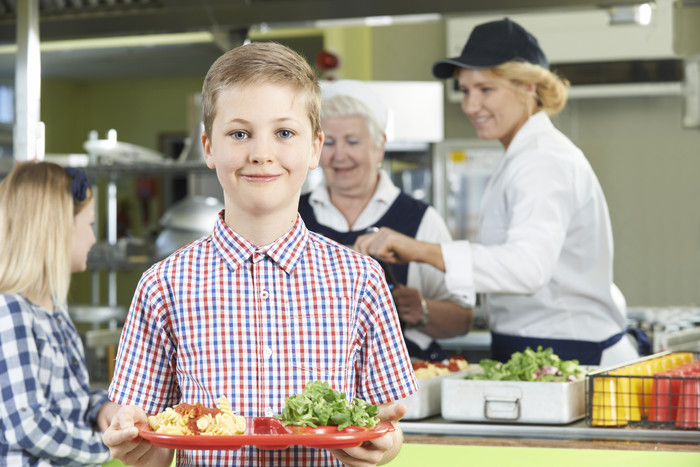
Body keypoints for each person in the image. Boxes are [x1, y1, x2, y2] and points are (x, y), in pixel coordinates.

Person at [102, 42, 417, 467]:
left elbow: (386, 424)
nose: (261, 153)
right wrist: (134, 446)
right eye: (239, 133)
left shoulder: (361, 280)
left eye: (284, 133)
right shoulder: (163, 285)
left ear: (314, 148)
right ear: (209, 148)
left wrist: (386, 445)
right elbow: (150, 441)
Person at [355, 18, 648, 367]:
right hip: (539, 350)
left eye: (485, 89)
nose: (470, 105)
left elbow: (527, 268)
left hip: (569, 353)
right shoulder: (524, 155)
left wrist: (419, 250)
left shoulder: (543, 160)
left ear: (528, 87)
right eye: (465, 91)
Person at [299, 79, 473, 362]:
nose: (339, 155)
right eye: (329, 142)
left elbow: (464, 320)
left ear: (379, 146)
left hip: (403, 384)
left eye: (353, 141)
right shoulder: (292, 216)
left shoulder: (420, 219)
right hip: (310, 381)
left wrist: (422, 310)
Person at [0, 161, 118, 465]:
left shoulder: (53, 308)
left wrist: (101, 408)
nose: (93, 239)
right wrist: (105, 448)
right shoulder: (10, 311)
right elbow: (28, 426)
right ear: (58, 227)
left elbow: (67, 399)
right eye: (89, 224)